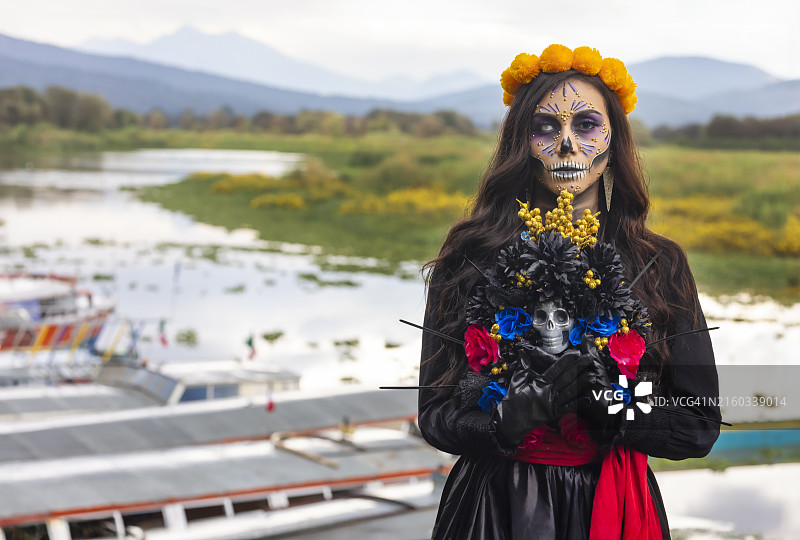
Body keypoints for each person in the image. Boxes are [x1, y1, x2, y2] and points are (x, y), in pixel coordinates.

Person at [418, 45, 722, 540]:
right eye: (544, 127)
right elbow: (434, 415)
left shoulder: (659, 264)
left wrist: (616, 410)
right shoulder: (470, 256)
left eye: (586, 125)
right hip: (493, 508)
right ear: (520, 141)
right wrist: (499, 422)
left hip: (614, 505)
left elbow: (697, 424)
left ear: (614, 139)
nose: (566, 144)